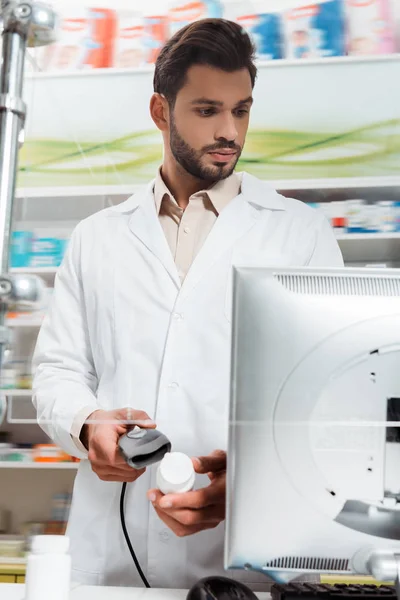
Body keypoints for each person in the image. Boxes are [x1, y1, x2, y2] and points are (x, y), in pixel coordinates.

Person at [32, 18, 344, 591]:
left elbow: (329, 397)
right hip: (114, 544)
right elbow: (57, 371)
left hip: (244, 553)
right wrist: (86, 423)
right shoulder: (97, 236)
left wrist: (253, 483)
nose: (229, 131)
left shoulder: (299, 233)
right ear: (160, 111)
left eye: (241, 110)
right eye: (207, 111)